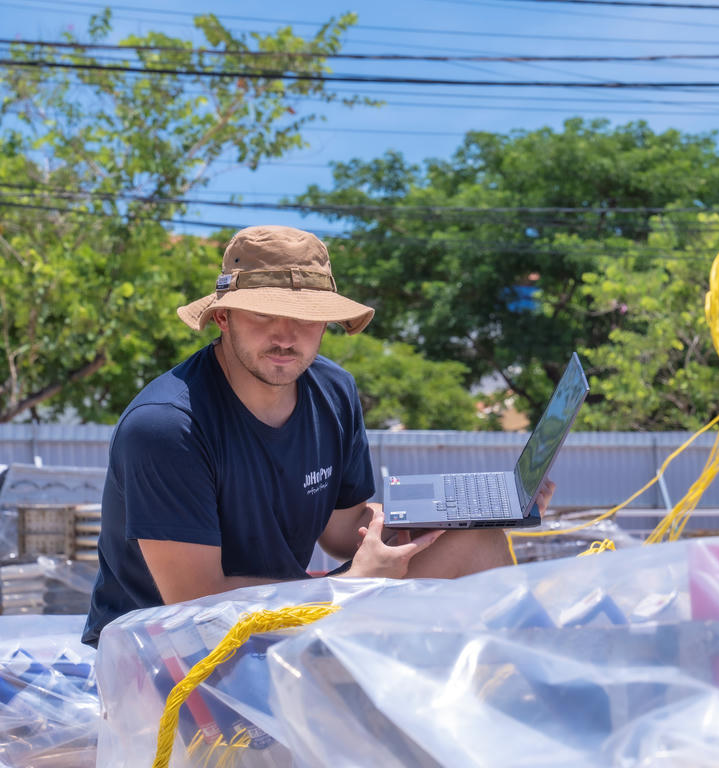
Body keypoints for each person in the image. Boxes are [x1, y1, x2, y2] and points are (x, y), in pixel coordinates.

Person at [82, 225, 551, 646]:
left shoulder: (333, 390)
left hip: (289, 617)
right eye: (264, 315)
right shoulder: (167, 425)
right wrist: (345, 588)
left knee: (479, 542)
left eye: (307, 318)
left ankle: (536, 704)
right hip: (171, 655)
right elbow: (195, 603)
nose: (286, 337)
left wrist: (465, 511)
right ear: (223, 318)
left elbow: (346, 532)